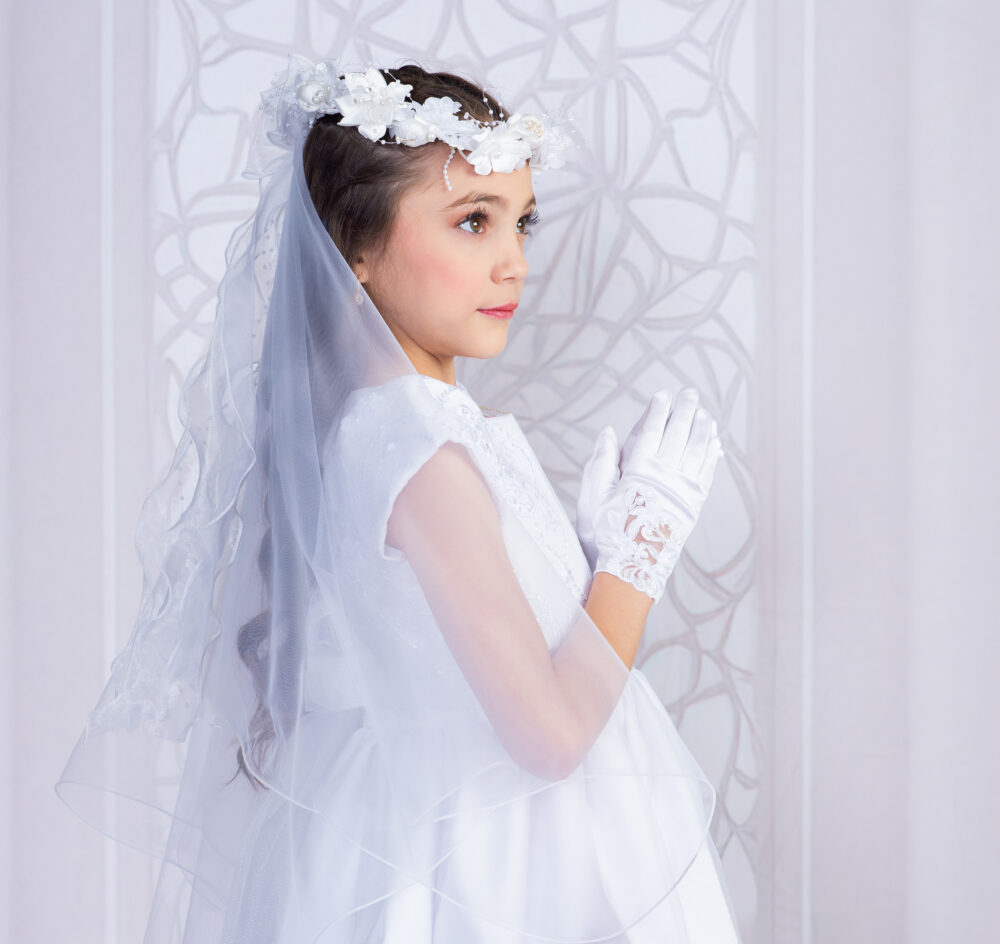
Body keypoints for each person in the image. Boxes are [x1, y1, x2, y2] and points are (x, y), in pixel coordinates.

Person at [55, 55, 742, 942]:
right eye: (471, 222)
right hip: (476, 865)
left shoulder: (396, 428)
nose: (513, 264)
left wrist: (567, 571)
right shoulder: (420, 447)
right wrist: (638, 553)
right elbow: (552, 737)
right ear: (358, 247)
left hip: (433, 828)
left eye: (521, 223)